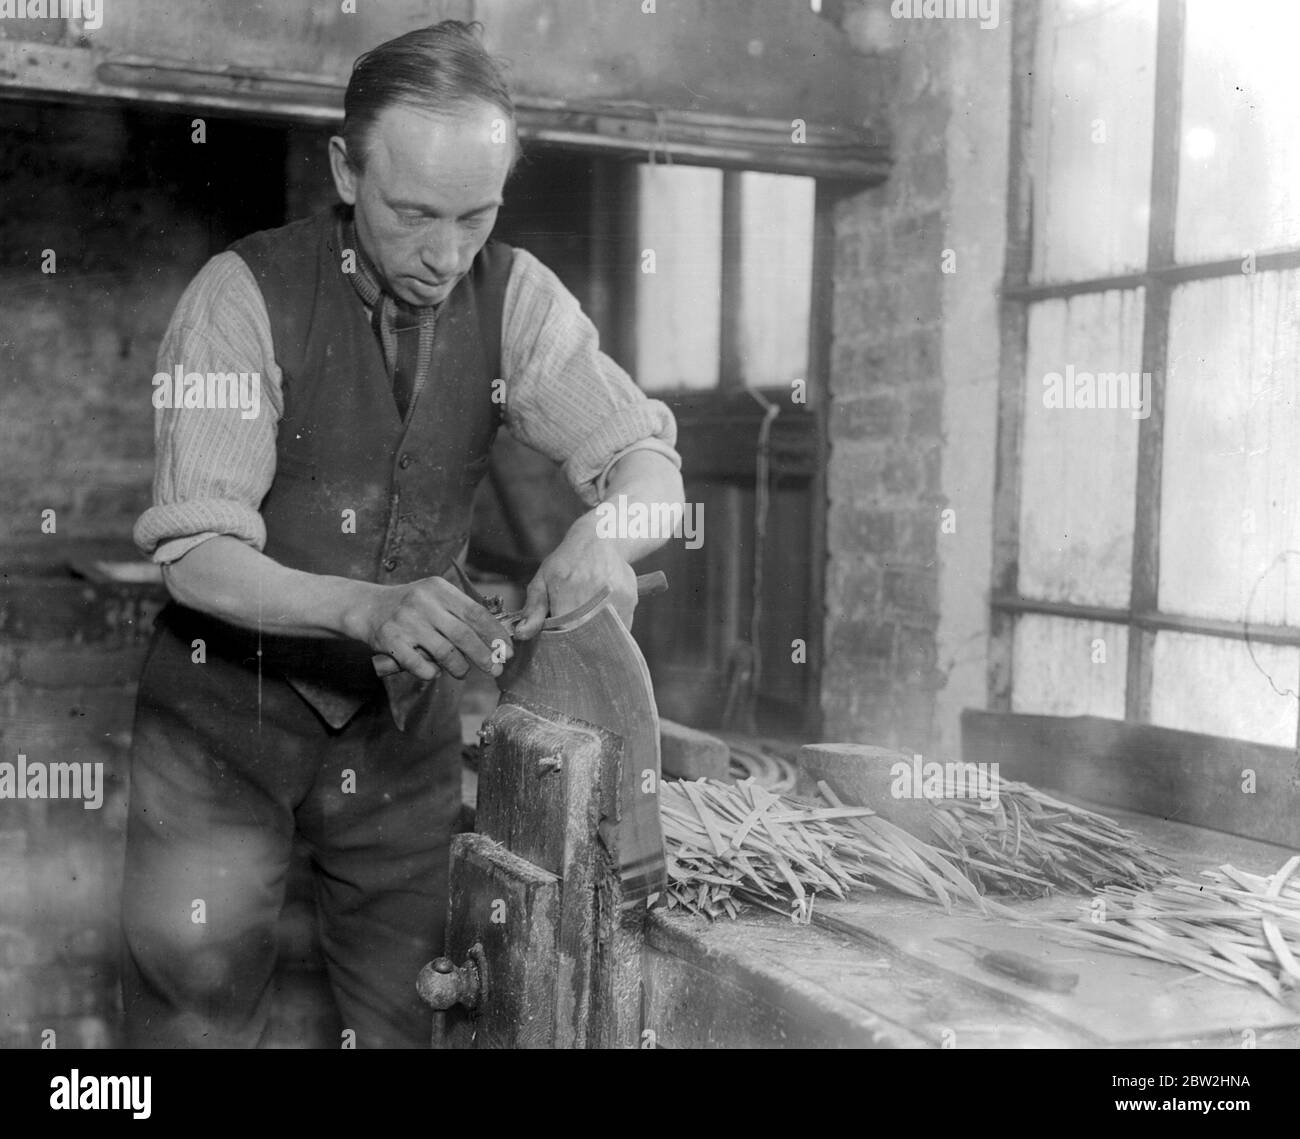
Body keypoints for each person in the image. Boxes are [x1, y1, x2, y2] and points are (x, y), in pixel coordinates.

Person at [122, 20, 683, 1048]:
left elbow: (649, 465)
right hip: (221, 718)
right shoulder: (240, 299)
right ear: (345, 167)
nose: (444, 253)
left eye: (475, 215)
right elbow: (196, 554)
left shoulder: (514, 298)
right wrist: (363, 605)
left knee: (420, 1006)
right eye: (413, 211)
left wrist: (611, 532)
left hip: (398, 736)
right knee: (193, 1014)